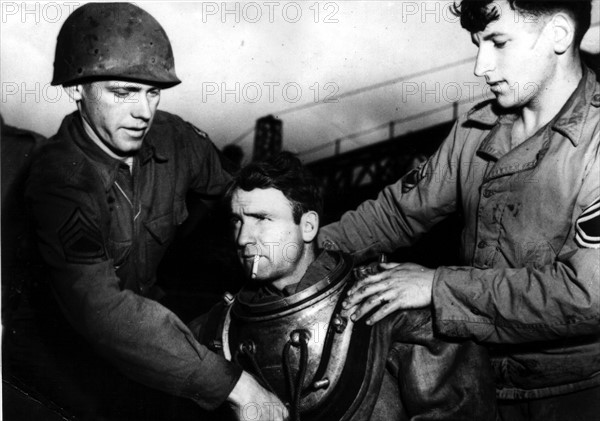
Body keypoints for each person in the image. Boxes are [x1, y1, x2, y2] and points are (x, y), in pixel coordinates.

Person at [318, 1, 600, 420]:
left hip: (573, 395)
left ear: (558, 34)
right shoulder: (476, 130)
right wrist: (306, 249)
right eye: (477, 44)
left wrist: (436, 287)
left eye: (498, 42)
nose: (480, 66)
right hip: (474, 384)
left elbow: (586, 297)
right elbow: (397, 214)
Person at [17, 3, 286, 420]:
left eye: (152, 92)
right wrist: (235, 386)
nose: (144, 112)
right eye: (123, 93)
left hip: (149, 312)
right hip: (66, 347)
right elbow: (103, 310)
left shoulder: (174, 138)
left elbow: (237, 195)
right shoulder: (59, 181)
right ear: (75, 89)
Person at [191, 152, 497, 421]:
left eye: (262, 219)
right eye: (236, 221)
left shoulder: (390, 303)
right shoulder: (219, 329)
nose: (244, 238)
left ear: (308, 226)